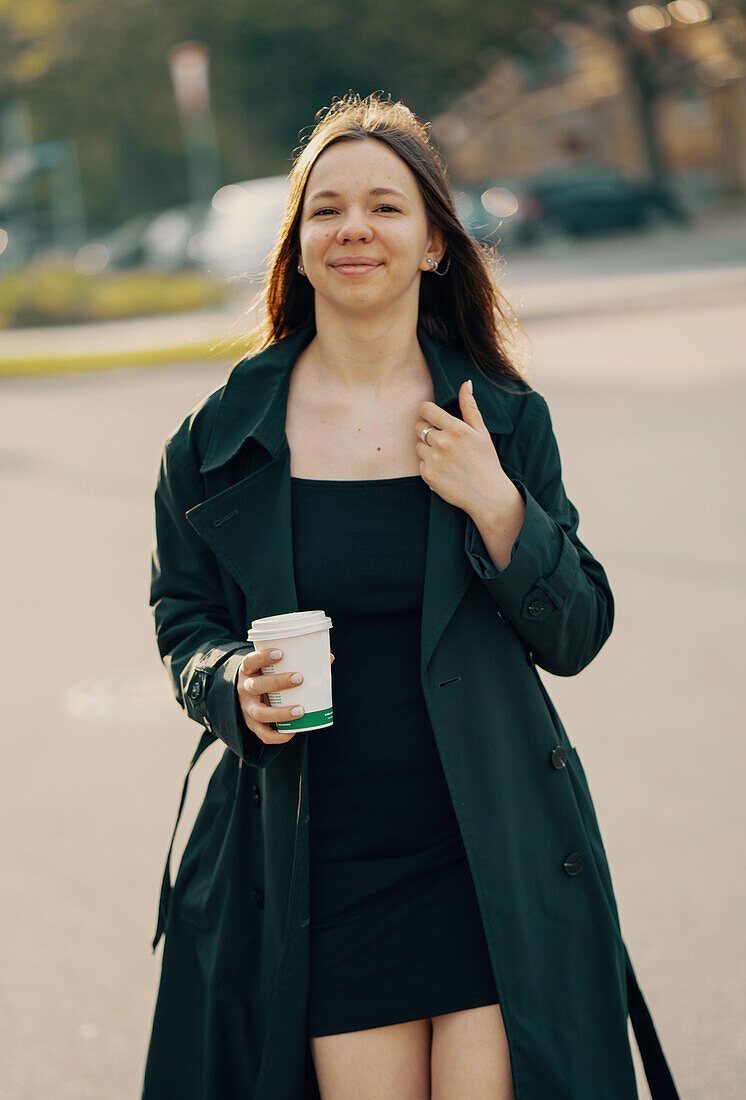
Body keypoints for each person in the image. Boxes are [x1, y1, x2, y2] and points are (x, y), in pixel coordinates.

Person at [142, 92, 680, 1099]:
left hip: (485, 851)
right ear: (295, 247)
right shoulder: (217, 438)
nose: (354, 228)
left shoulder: (499, 419)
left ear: (433, 242)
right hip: (317, 855)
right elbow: (183, 617)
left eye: (385, 207)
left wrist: (500, 508)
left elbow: (576, 630)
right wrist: (228, 685)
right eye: (326, 208)